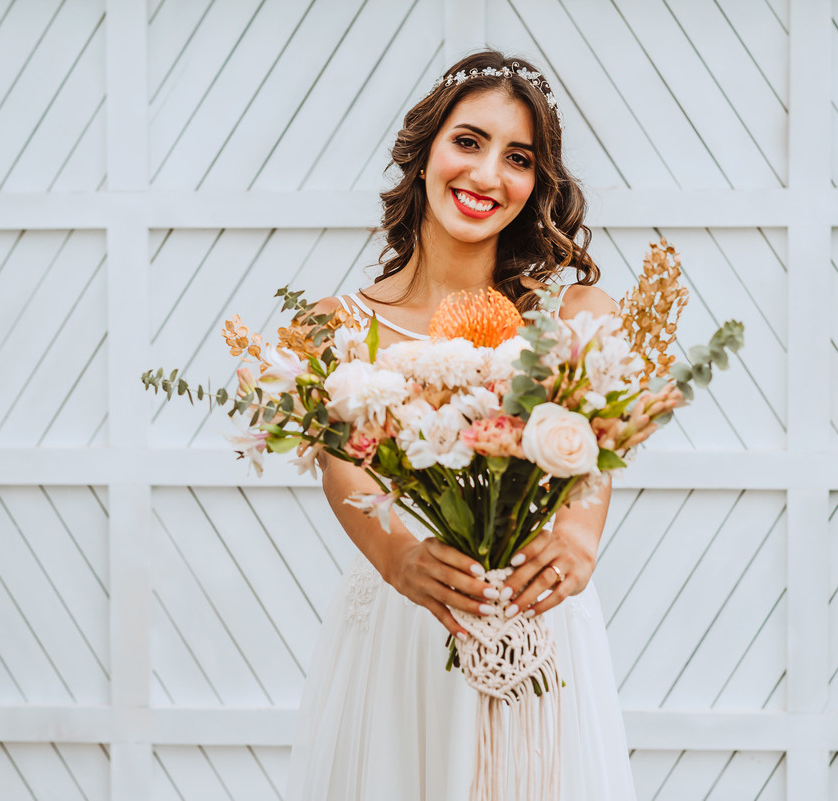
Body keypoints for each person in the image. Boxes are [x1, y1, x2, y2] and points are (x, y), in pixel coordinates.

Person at [284, 50, 637, 800]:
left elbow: (596, 443)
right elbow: (340, 462)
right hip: (409, 617)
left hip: (537, 618)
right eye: (468, 142)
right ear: (424, 154)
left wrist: (578, 539)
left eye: (518, 157)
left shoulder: (575, 317)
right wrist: (396, 557)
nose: (486, 174)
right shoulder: (334, 327)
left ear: (537, 184)